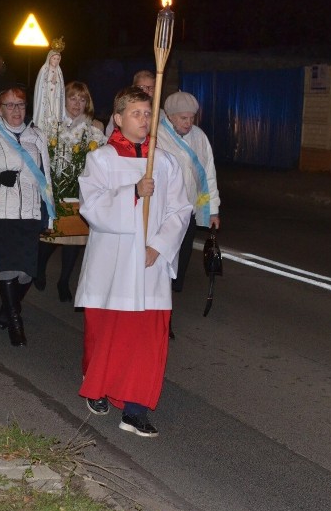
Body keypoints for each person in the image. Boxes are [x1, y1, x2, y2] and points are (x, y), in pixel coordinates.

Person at [75, 86, 191, 437]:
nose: (144, 120)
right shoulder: (102, 160)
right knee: (106, 333)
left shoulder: (165, 161)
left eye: (148, 114)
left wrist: (159, 245)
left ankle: (136, 409)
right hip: (112, 265)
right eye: (137, 113)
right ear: (119, 117)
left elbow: (180, 209)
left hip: (150, 265)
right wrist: (132, 193)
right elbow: (91, 208)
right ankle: (98, 385)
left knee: (145, 339)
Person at [0, 86, 54, 346]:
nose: (16, 110)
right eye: (9, 105)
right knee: (8, 270)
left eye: (20, 104)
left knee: (26, 274)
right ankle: (15, 321)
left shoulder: (37, 135)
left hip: (31, 210)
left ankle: (5, 309)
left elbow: (46, 178)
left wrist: (49, 211)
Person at [156, 92, 221, 337]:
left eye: (191, 117)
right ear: (170, 116)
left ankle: (165, 308)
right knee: (163, 264)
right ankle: (163, 318)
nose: (188, 122)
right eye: (183, 118)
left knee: (179, 265)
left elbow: (208, 174)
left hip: (188, 213)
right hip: (162, 214)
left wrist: (212, 209)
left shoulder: (199, 137)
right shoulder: (157, 135)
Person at [35, 80, 105, 302]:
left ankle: (64, 281)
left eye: (82, 99)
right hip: (55, 188)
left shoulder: (94, 129)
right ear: (63, 100)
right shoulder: (52, 124)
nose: (77, 103)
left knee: (74, 239)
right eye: (73, 98)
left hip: (80, 189)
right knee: (51, 237)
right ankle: (39, 267)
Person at [104, 70, 154, 137]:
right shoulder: (122, 112)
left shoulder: (161, 115)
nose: (146, 91)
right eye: (141, 87)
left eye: (150, 88)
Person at [33, 38, 65, 139]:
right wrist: (50, 84)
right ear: (49, 58)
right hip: (46, 98)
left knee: (54, 114)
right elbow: (41, 86)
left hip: (55, 98)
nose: (55, 61)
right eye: (53, 58)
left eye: (57, 59)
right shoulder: (44, 70)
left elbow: (61, 87)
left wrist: (56, 85)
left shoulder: (59, 71)